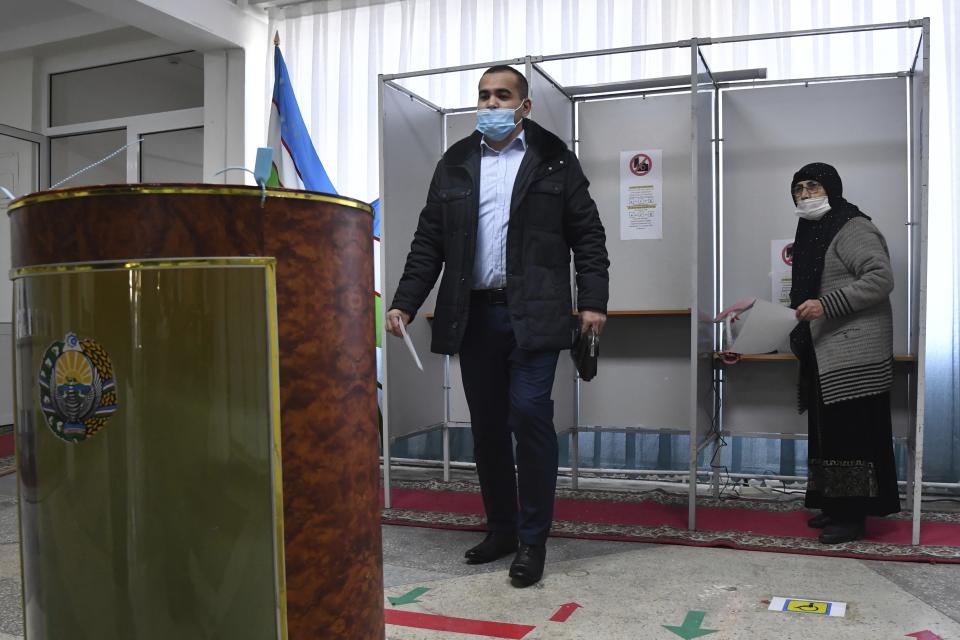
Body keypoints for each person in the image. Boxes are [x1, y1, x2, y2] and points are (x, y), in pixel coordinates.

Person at [386, 65, 609, 587]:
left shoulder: (555, 158)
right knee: (486, 428)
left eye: (501, 96)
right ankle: (503, 529)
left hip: (535, 310)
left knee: (529, 415)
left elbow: (589, 236)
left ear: (524, 105)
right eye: (483, 96)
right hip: (474, 313)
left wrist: (593, 303)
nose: (490, 104)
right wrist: (405, 302)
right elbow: (428, 241)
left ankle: (533, 541)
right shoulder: (456, 162)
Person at [788, 162, 900, 544]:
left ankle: (853, 517)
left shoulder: (853, 227)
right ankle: (835, 505)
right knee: (828, 434)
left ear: (831, 188)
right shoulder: (813, 230)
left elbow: (881, 278)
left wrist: (825, 304)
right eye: (799, 188)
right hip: (828, 347)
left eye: (813, 186)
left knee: (851, 436)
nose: (805, 194)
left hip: (855, 351)